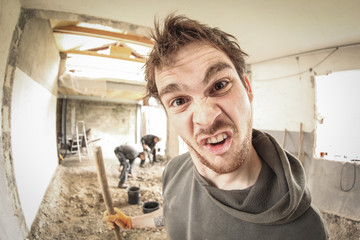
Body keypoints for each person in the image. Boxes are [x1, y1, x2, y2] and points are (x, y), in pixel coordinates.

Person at [104, 14, 329, 239]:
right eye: (179, 101)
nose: (206, 117)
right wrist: (131, 222)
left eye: (220, 85)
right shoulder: (174, 172)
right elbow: (175, 211)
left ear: (247, 89)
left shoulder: (307, 230)